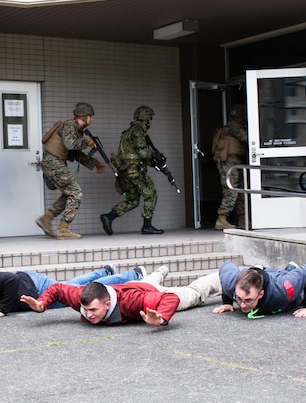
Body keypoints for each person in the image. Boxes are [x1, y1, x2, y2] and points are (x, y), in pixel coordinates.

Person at [21, 265, 222, 326]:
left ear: (108, 305)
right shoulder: (81, 297)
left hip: (151, 294)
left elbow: (170, 298)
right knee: (146, 283)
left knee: (194, 293)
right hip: (134, 285)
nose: (88, 314)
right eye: (86, 309)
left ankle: (220, 276)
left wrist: (160, 318)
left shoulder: (133, 303)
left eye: (93, 310)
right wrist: (42, 304)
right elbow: (57, 289)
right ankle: (159, 273)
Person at [0, 262, 146, 319]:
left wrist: (1, 310)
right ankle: (104, 270)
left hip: (33, 287)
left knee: (79, 293)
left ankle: (133, 275)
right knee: (72, 286)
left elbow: (8, 279)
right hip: (31, 282)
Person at [36, 102, 105, 240]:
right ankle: (63, 229)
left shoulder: (75, 129)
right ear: (85, 117)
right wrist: (87, 142)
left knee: (69, 193)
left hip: (54, 163)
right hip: (53, 163)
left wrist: (94, 163)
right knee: (76, 192)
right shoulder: (69, 126)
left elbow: (74, 154)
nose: (92, 119)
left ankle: (46, 218)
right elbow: (70, 144)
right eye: (91, 117)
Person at [100, 105, 165, 236]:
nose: (151, 121)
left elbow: (132, 154)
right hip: (135, 171)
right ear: (145, 119)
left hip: (125, 172)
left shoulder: (127, 132)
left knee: (133, 200)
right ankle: (147, 226)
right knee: (151, 194)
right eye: (150, 118)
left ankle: (109, 216)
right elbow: (143, 153)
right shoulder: (138, 131)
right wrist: (154, 154)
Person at [212, 261, 306, 318]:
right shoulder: (231, 284)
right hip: (270, 274)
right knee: (289, 277)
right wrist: (227, 302)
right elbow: (226, 266)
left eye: (248, 300)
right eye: (239, 299)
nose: (242, 305)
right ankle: (290, 269)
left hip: (287, 285)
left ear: (261, 294)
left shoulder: (282, 291)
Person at [212, 106, 247, 230]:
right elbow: (247, 137)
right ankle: (221, 219)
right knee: (231, 191)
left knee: (240, 191)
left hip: (235, 163)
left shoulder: (232, 126)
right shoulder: (233, 126)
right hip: (229, 164)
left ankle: (242, 219)